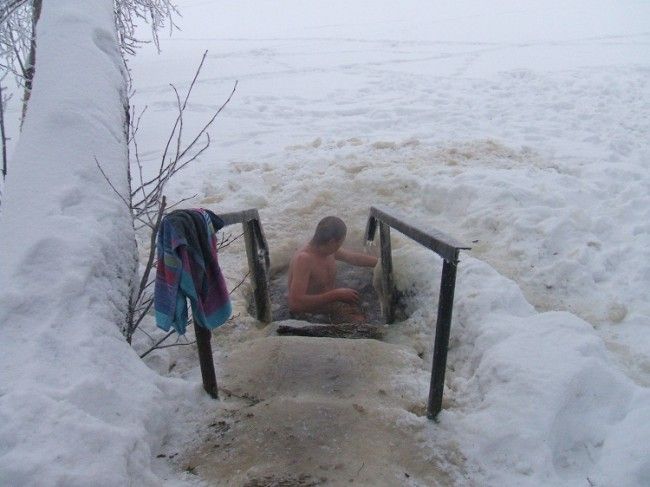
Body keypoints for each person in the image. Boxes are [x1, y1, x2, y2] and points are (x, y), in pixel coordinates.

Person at [288, 216, 378, 323]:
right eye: (340, 243)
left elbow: (354, 258)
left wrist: (382, 263)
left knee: (368, 312)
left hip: (330, 304)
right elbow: (295, 304)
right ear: (331, 242)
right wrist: (335, 295)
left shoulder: (328, 250)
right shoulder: (304, 259)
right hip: (311, 314)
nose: (340, 246)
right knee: (363, 325)